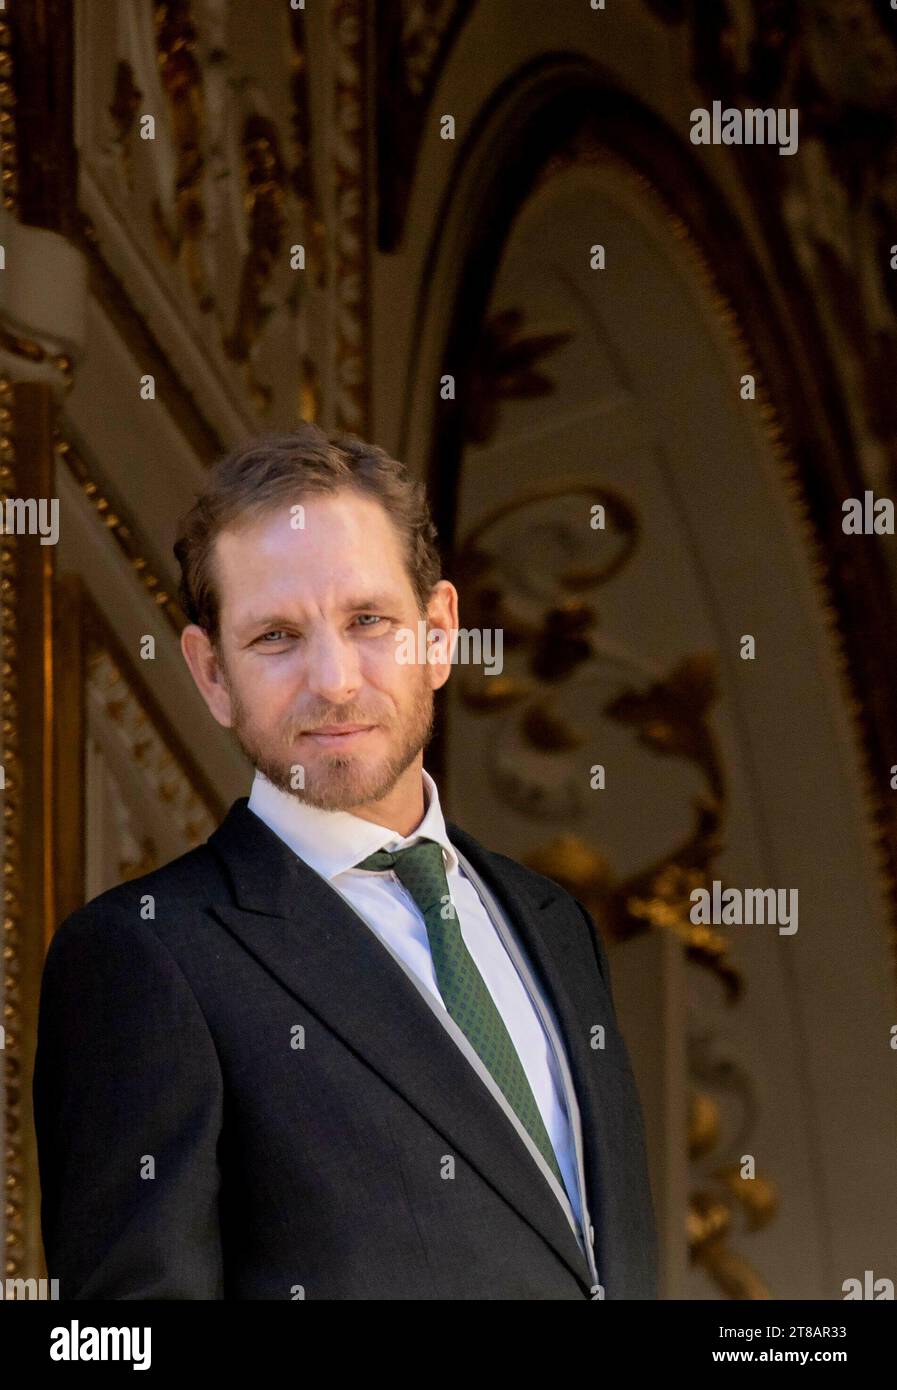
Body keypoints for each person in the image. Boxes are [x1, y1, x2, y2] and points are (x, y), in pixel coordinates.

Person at [33, 423, 658, 1299]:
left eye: (368, 620)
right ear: (211, 674)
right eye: (277, 638)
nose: (332, 679)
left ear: (438, 632)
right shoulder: (142, 958)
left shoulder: (554, 924)